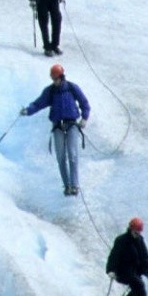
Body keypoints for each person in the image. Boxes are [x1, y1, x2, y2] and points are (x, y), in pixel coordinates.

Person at [20, 63, 91, 196]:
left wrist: (84, 118)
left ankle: (74, 185)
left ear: (62, 77)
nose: (55, 81)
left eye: (56, 78)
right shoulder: (50, 91)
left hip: (71, 124)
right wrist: (28, 110)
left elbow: (84, 103)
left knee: (72, 154)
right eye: (53, 79)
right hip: (57, 125)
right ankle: (67, 186)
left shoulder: (72, 88)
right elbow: (38, 104)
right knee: (60, 156)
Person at [105, 217, 148, 296]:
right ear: (130, 228)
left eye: (139, 232)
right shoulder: (121, 240)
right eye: (136, 231)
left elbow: (145, 256)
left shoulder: (140, 240)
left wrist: (147, 269)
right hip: (122, 272)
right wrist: (110, 270)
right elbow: (113, 256)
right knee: (141, 293)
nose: (137, 234)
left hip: (133, 273)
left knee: (138, 289)